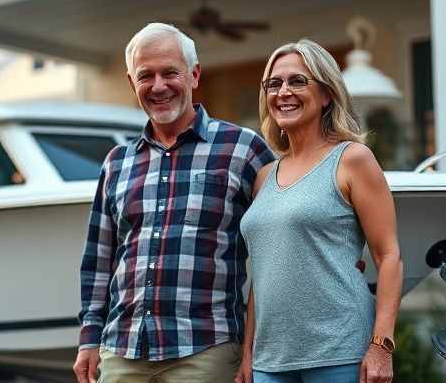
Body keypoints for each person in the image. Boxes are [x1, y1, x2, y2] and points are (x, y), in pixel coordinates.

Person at [74, 23, 275, 383]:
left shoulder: (245, 150)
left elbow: (277, 245)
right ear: (131, 83)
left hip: (207, 349)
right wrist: (89, 338)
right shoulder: (116, 163)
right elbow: (99, 259)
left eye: (170, 73)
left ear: (194, 74)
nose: (158, 86)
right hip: (123, 351)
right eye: (145, 76)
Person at [237, 39, 402, 383]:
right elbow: (263, 274)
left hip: (340, 352)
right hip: (270, 362)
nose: (284, 92)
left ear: (326, 94)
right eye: (274, 83)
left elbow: (389, 256)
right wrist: (248, 354)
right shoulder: (264, 176)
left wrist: (381, 347)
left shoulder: (352, 159)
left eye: (298, 81)